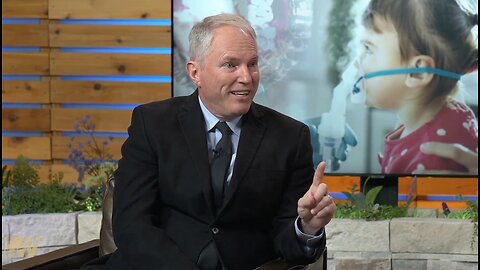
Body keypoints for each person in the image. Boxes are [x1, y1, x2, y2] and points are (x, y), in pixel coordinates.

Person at [88, 13, 335, 270]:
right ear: (195, 72)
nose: (247, 77)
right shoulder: (153, 124)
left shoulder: (290, 137)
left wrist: (306, 227)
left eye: (252, 64)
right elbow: (132, 225)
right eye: (231, 65)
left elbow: (287, 241)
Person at [355, 0, 478, 175]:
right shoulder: (442, 115)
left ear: (418, 72)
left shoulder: (432, 161)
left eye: (369, 49)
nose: (359, 61)